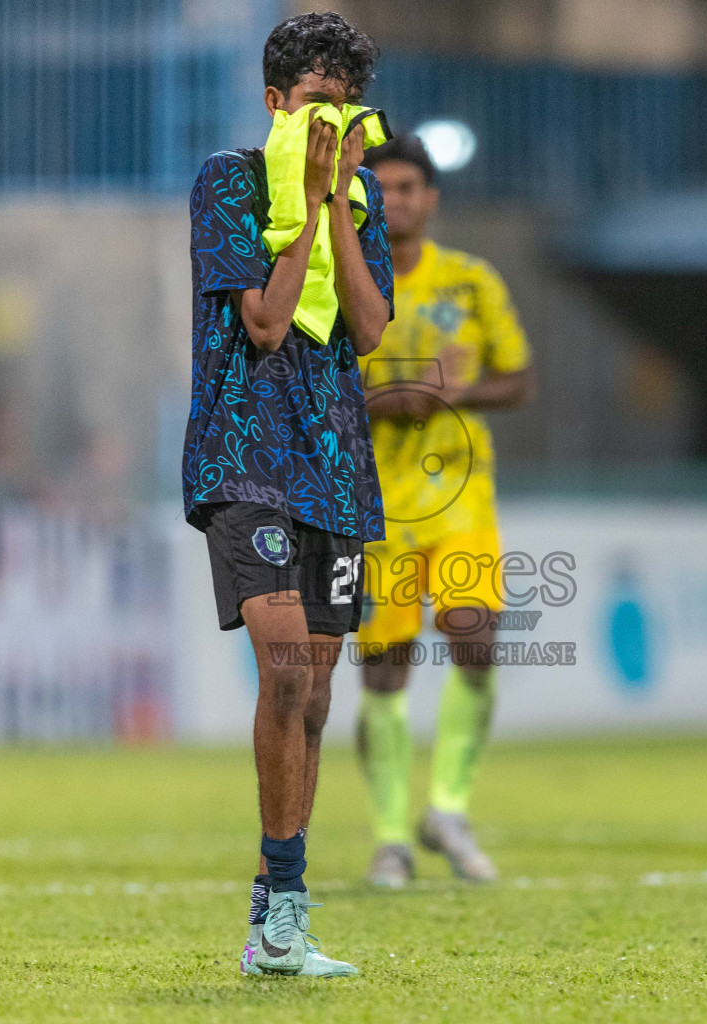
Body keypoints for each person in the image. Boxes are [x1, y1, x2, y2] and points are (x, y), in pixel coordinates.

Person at [182, 11, 392, 977]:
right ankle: (286, 909)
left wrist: (341, 205)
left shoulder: (362, 197)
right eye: (316, 104)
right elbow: (265, 323)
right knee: (287, 674)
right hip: (244, 456)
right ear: (275, 102)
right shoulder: (228, 182)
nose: (332, 125)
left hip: (334, 464)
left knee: (317, 697)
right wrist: (304, 203)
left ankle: (277, 917)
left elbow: (372, 325)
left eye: (345, 108)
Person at [356, 135, 535, 888]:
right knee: (385, 673)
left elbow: (517, 379)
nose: (394, 200)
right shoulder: (345, 285)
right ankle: (393, 836)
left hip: (462, 499)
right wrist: (393, 401)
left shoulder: (470, 280)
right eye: (381, 189)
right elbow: (317, 395)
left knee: (477, 640)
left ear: (430, 198)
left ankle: (449, 811)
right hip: (376, 505)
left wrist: (454, 395)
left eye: (406, 187)